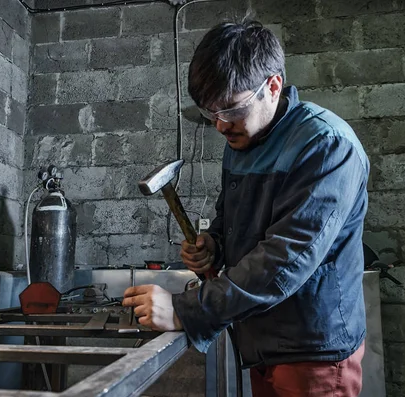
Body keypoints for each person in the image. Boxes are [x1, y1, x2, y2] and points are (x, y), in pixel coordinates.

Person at [123, 19, 369, 397]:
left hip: (311, 352)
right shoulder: (242, 139)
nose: (220, 126)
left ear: (272, 86)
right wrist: (214, 244)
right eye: (211, 114)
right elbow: (234, 220)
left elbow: (286, 258)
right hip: (261, 343)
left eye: (230, 110)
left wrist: (186, 311)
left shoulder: (326, 146)